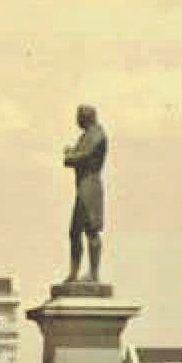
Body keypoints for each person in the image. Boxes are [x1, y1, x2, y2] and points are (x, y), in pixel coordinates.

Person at [63, 104, 106, 283]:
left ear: (86, 117)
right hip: (83, 186)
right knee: (75, 231)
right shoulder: (86, 135)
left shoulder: (97, 134)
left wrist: (70, 155)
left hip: (90, 187)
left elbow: (83, 156)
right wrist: (72, 154)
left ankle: (93, 274)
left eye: (79, 117)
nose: (77, 120)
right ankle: (74, 272)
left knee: (91, 230)